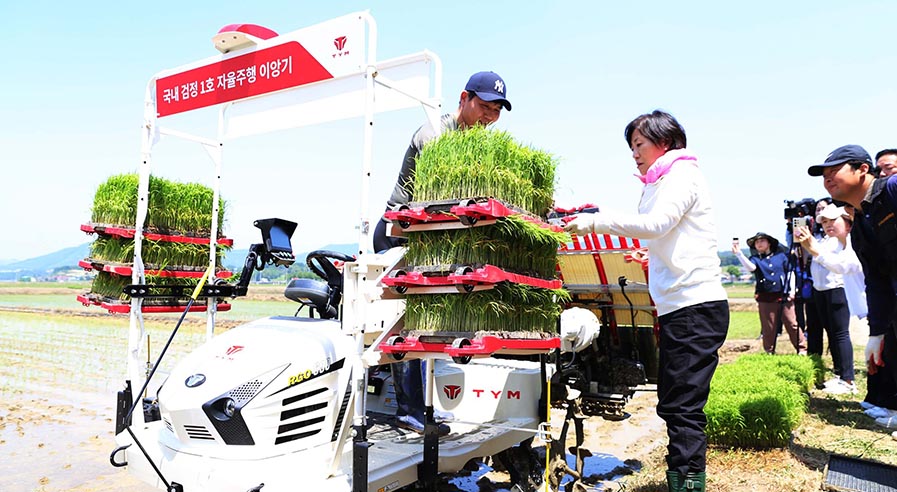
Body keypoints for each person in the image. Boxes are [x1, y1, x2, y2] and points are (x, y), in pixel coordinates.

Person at [565, 110, 728, 492]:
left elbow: (657, 224)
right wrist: (651, 256)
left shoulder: (682, 175)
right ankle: (681, 480)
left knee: (683, 405)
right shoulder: (659, 181)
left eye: (639, 144)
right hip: (678, 307)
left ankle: (688, 484)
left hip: (695, 305)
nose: (634, 153)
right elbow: (668, 235)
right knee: (672, 400)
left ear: (665, 142)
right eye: (631, 147)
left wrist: (595, 221)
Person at [374, 71, 511, 435]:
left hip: (433, 238)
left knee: (430, 320)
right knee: (407, 321)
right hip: (399, 234)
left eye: (497, 110)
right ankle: (409, 410)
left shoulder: (478, 145)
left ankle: (423, 407)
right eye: (484, 106)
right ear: (464, 98)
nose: (489, 116)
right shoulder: (435, 133)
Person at [806, 145, 897, 414]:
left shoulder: (891, 189)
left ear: (863, 170)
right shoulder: (861, 227)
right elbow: (877, 281)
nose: (828, 179)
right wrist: (878, 331)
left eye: (835, 171)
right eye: (825, 176)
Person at [794, 204, 858, 394]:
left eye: (833, 220)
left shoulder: (846, 241)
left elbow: (837, 265)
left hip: (836, 289)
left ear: (847, 222)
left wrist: (813, 247)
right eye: (825, 222)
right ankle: (840, 375)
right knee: (830, 333)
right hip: (820, 290)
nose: (828, 225)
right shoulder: (826, 240)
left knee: (840, 334)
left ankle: (848, 379)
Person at [732, 233, 808, 355]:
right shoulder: (755, 259)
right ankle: (769, 351)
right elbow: (751, 268)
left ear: (769, 243)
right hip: (765, 297)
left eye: (762, 241)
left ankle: (802, 349)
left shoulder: (781, 256)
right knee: (768, 327)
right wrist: (739, 254)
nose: (759, 244)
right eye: (757, 242)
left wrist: (792, 291)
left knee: (792, 324)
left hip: (784, 295)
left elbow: (790, 273)